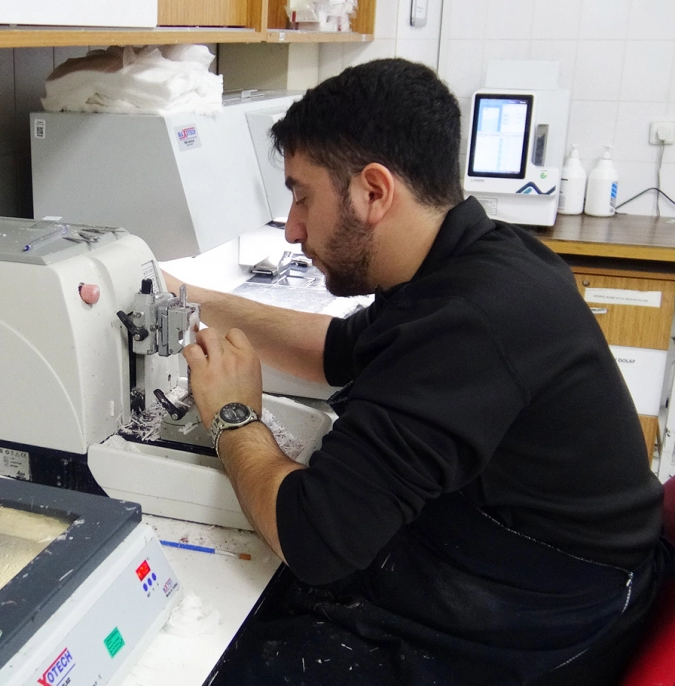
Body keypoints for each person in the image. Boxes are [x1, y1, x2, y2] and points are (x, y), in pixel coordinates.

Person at [165, 58, 672, 685]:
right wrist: (189, 295)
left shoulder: (470, 321)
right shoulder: (472, 259)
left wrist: (234, 417)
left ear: (374, 192)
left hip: (547, 610)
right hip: (526, 553)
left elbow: (312, 539)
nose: (292, 229)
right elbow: (337, 349)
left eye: (302, 196)